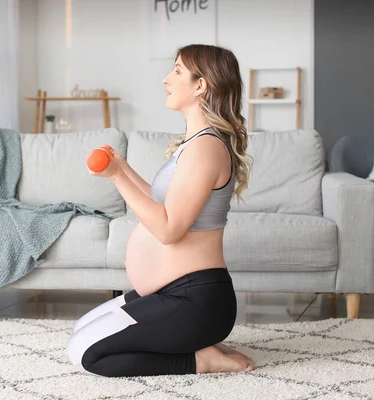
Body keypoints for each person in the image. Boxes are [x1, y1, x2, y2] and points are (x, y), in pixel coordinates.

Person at [67, 44, 254, 377]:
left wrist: (114, 176)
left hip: (194, 302)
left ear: (201, 85)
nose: (167, 79)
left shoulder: (206, 148)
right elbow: (159, 204)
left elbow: (169, 229)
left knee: (85, 354)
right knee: (82, 327)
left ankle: (199, 360)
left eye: (178, 71)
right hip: (172, 294)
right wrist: (121, 170)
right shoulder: (195, 144)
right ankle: (197, 343)